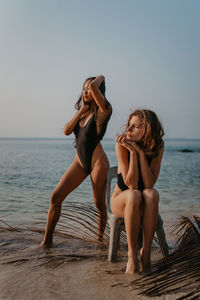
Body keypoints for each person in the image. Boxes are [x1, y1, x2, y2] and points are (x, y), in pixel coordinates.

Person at [42, 75, 112, 246]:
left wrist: (100, 77)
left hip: (98, 163)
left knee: (99, 204)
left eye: (90, 88)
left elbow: (96, 89)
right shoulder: (83, 113)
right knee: (55, 197)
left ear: (98, 91)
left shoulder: (104, 111)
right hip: (79, 162)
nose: (86, 91)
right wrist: (81, 110)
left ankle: (99, 240)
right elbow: (67, 131)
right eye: (84, 89)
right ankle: (47, 241)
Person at [111, 109, 164, 274]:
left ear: (147, 129)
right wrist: (133, 152)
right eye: (129, 126)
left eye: (134, 127)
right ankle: (132, 256)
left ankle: (146, 253)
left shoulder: (158, 146)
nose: (128, 130)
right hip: (122, 199)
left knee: (152, 193)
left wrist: (141, 153)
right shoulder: (121, 147)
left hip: (144, 201)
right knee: (135, 194)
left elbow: (149, 184)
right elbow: (132, 184)